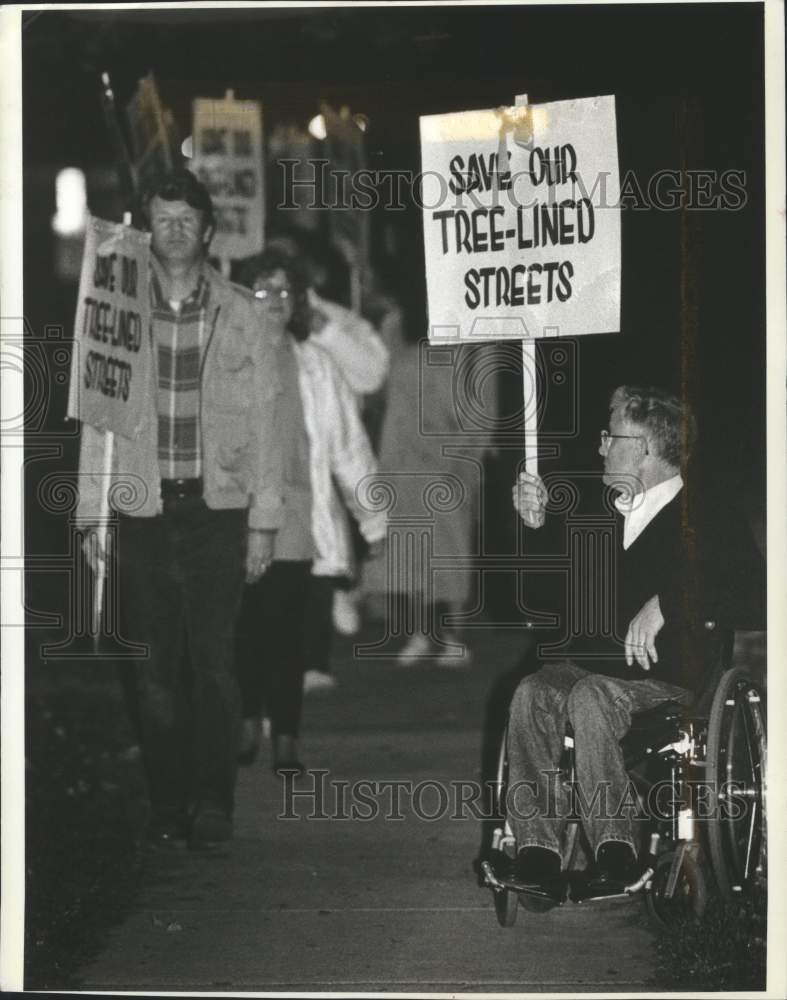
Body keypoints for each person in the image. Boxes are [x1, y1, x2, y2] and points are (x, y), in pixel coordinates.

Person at [77, 170, 283, 849]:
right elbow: (96, 415)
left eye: (185, 219)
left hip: (216, 513)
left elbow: (266, 421)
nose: (172, 229)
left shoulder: (242, 312)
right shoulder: (112, 306)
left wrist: (262, 521)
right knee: (153, 670)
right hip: (139, 512)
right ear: (144, 228)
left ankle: (213, 800)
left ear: (206, 230)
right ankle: (168, 801)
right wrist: (91, 513)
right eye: (160, 218)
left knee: (215, 664)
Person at [507, 385, 702, 891]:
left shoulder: (701, 515)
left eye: (608, 437)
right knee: (531, 693)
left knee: (590, 697)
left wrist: (667, 604)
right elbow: (540, 599)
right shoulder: (594, 512)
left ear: (643, 449)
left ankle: (618, 851)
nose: (599, 447)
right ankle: (537, 850)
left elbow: (750, 590)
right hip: (588, 666)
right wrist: (536, 525)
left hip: (663, 678)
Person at [234, 250, 385, 771]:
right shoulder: (226, 360)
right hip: (235, 512)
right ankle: (248, 718)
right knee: (244, 623)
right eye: (261, 291)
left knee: (286, 626)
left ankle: (287, 737)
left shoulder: (316, 365)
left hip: (298, 513)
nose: (274, 301)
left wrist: (371, 515)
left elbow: (348, 445)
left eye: (283, 291)